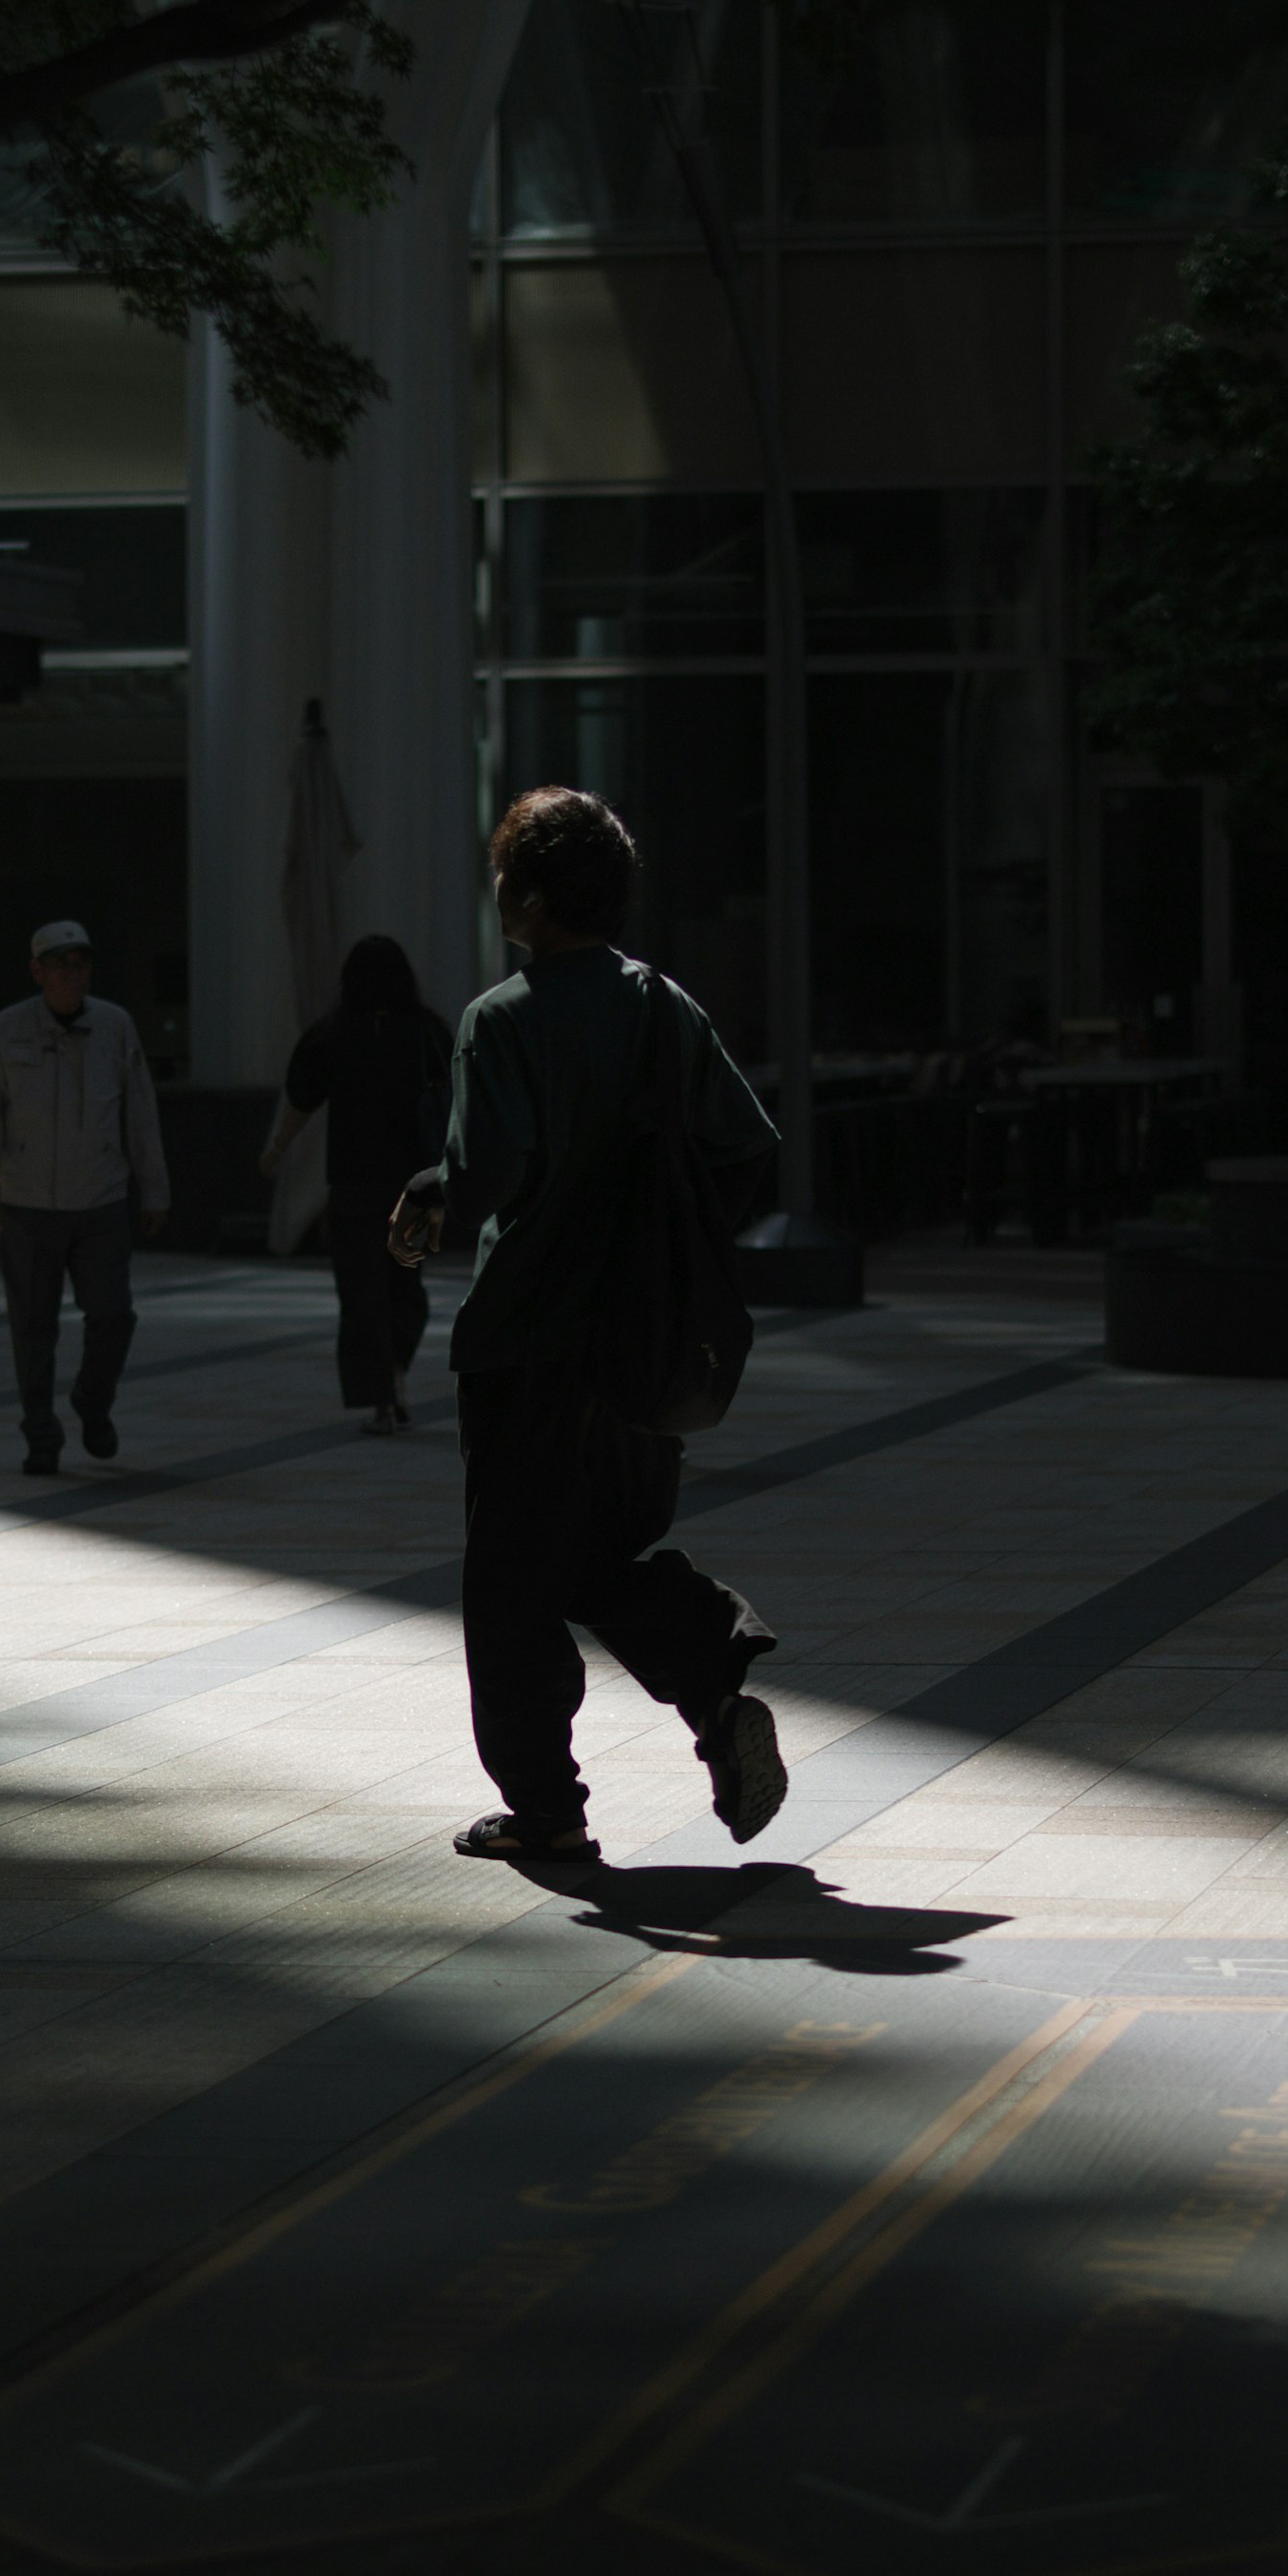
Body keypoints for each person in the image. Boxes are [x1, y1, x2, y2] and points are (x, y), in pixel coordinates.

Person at [390, 787, 792, 1869]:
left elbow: (489, 1176)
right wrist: (669, 1241)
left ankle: (548, 1810)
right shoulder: (666, 1007)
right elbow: (747, 1147)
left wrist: (435, 1192)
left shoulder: (502, 1018)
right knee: (599, 1551)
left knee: (514, 1585)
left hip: (529, 1341)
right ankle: (711, 1679)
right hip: (645, 1347)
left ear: (527, 892)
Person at [0, 919, 171, 1477]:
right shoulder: (8, 1030)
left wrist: (154, 1189)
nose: (73, 972)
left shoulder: (114, 1026)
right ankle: (40, 1434)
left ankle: (92, 1399)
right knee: (32, 1324)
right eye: (61, 963)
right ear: (37, 971)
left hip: (101, 1197)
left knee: (113, 1315)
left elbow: (140, 1114)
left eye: (81, 961)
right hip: (28, 1201)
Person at [262, 934, 450, 1435]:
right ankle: (395, 1373)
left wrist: (277, 1148)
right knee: (406, 1287)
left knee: (361, 1291)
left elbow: (301, 1097)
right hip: (414, 1184)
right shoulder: (427, 1032)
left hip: (352, 1184)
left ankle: (380, 1400)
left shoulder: (333, 1034)